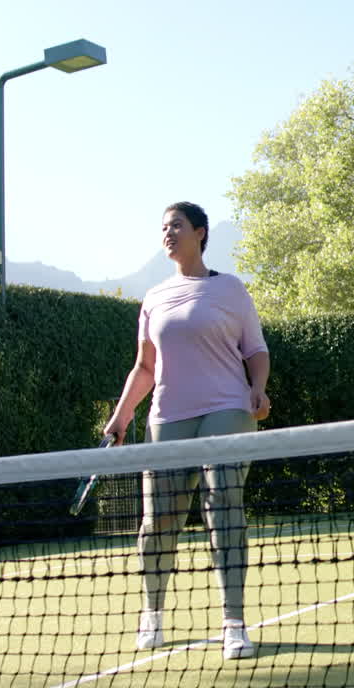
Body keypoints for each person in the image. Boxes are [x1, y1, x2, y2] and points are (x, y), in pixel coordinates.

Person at [104, 201, 271, 659]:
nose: (168, 233)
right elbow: (144, 367)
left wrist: (257, 389)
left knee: (223, 508)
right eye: (163, 227)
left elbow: (255, 350)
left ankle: (233, 623)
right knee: (158, 521)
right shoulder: (154, 298)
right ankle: (152, 615)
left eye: (176, 225)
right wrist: (120, 418)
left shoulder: (231, 290)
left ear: (200, 232)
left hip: (228, 410)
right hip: (167, 417)